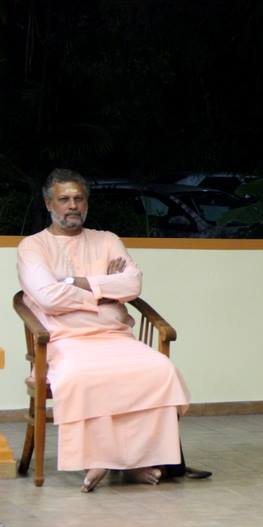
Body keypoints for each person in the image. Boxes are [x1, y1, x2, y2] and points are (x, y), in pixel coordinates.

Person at [17, 169, 191, 492]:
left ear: (86, 202)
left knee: (159, 370)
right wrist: (105, 293)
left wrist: (74, 282)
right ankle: (101, 457)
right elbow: (47, 298)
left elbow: (133, 283)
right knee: (82, 375)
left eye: (78, 198)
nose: (72, 206)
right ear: (48, 203)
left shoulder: (107, 240)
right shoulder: (33, 247)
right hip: (65, 341)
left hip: (116, 337)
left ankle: (136, 462)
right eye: (64, 199)